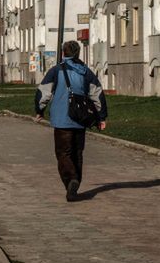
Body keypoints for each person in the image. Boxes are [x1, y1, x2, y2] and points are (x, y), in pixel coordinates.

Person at [34, 41, 108, 202]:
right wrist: (101, 117)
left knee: (63, 153)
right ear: (78, 53)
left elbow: (43, 93)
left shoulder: (56, 71)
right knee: (77, 152)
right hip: (81, 119)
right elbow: (98, 94)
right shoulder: (86, 72)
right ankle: (75, 186)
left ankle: (71, 179)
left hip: (62, 120)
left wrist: (40, 110)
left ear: (63, 53)